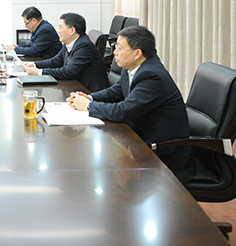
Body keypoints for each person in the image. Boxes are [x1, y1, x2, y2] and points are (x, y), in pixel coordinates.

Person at [67, 25, 195, 185]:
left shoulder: (152, 76)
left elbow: (123, 111)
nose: (114, 52)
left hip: (161, 154)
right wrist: (89, 97)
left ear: (137, 53)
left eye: (119, 48)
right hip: (140, 140)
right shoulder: (136, 67)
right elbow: (116, 91)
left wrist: (88, 106)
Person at [23, 12, 109, 92]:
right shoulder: (69, 42)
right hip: (76, 86)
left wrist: (39, 72)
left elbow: (69, 72)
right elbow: (56, 61)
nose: (58, 31)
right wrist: (34, 64)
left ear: (72, 30)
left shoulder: (84, 46)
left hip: (90, 92)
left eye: (61, 27)